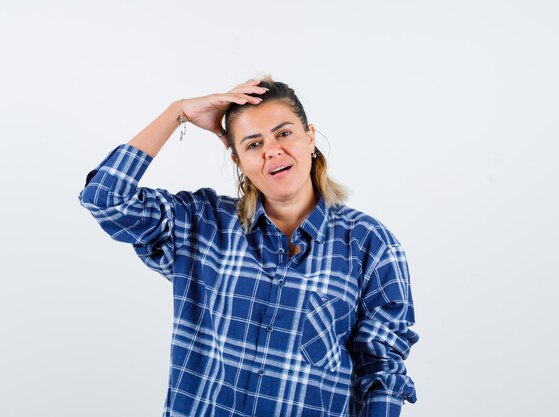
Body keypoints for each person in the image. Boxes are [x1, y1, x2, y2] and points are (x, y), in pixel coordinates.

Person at [78, 77, 419, 417]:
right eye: (253, 144)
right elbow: (106, 198)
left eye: (283, 133)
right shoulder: (201, 223)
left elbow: (381, 373)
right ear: (238, 160)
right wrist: (177, 112)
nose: (272, 150)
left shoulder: (370, 244)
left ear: (310, 136)